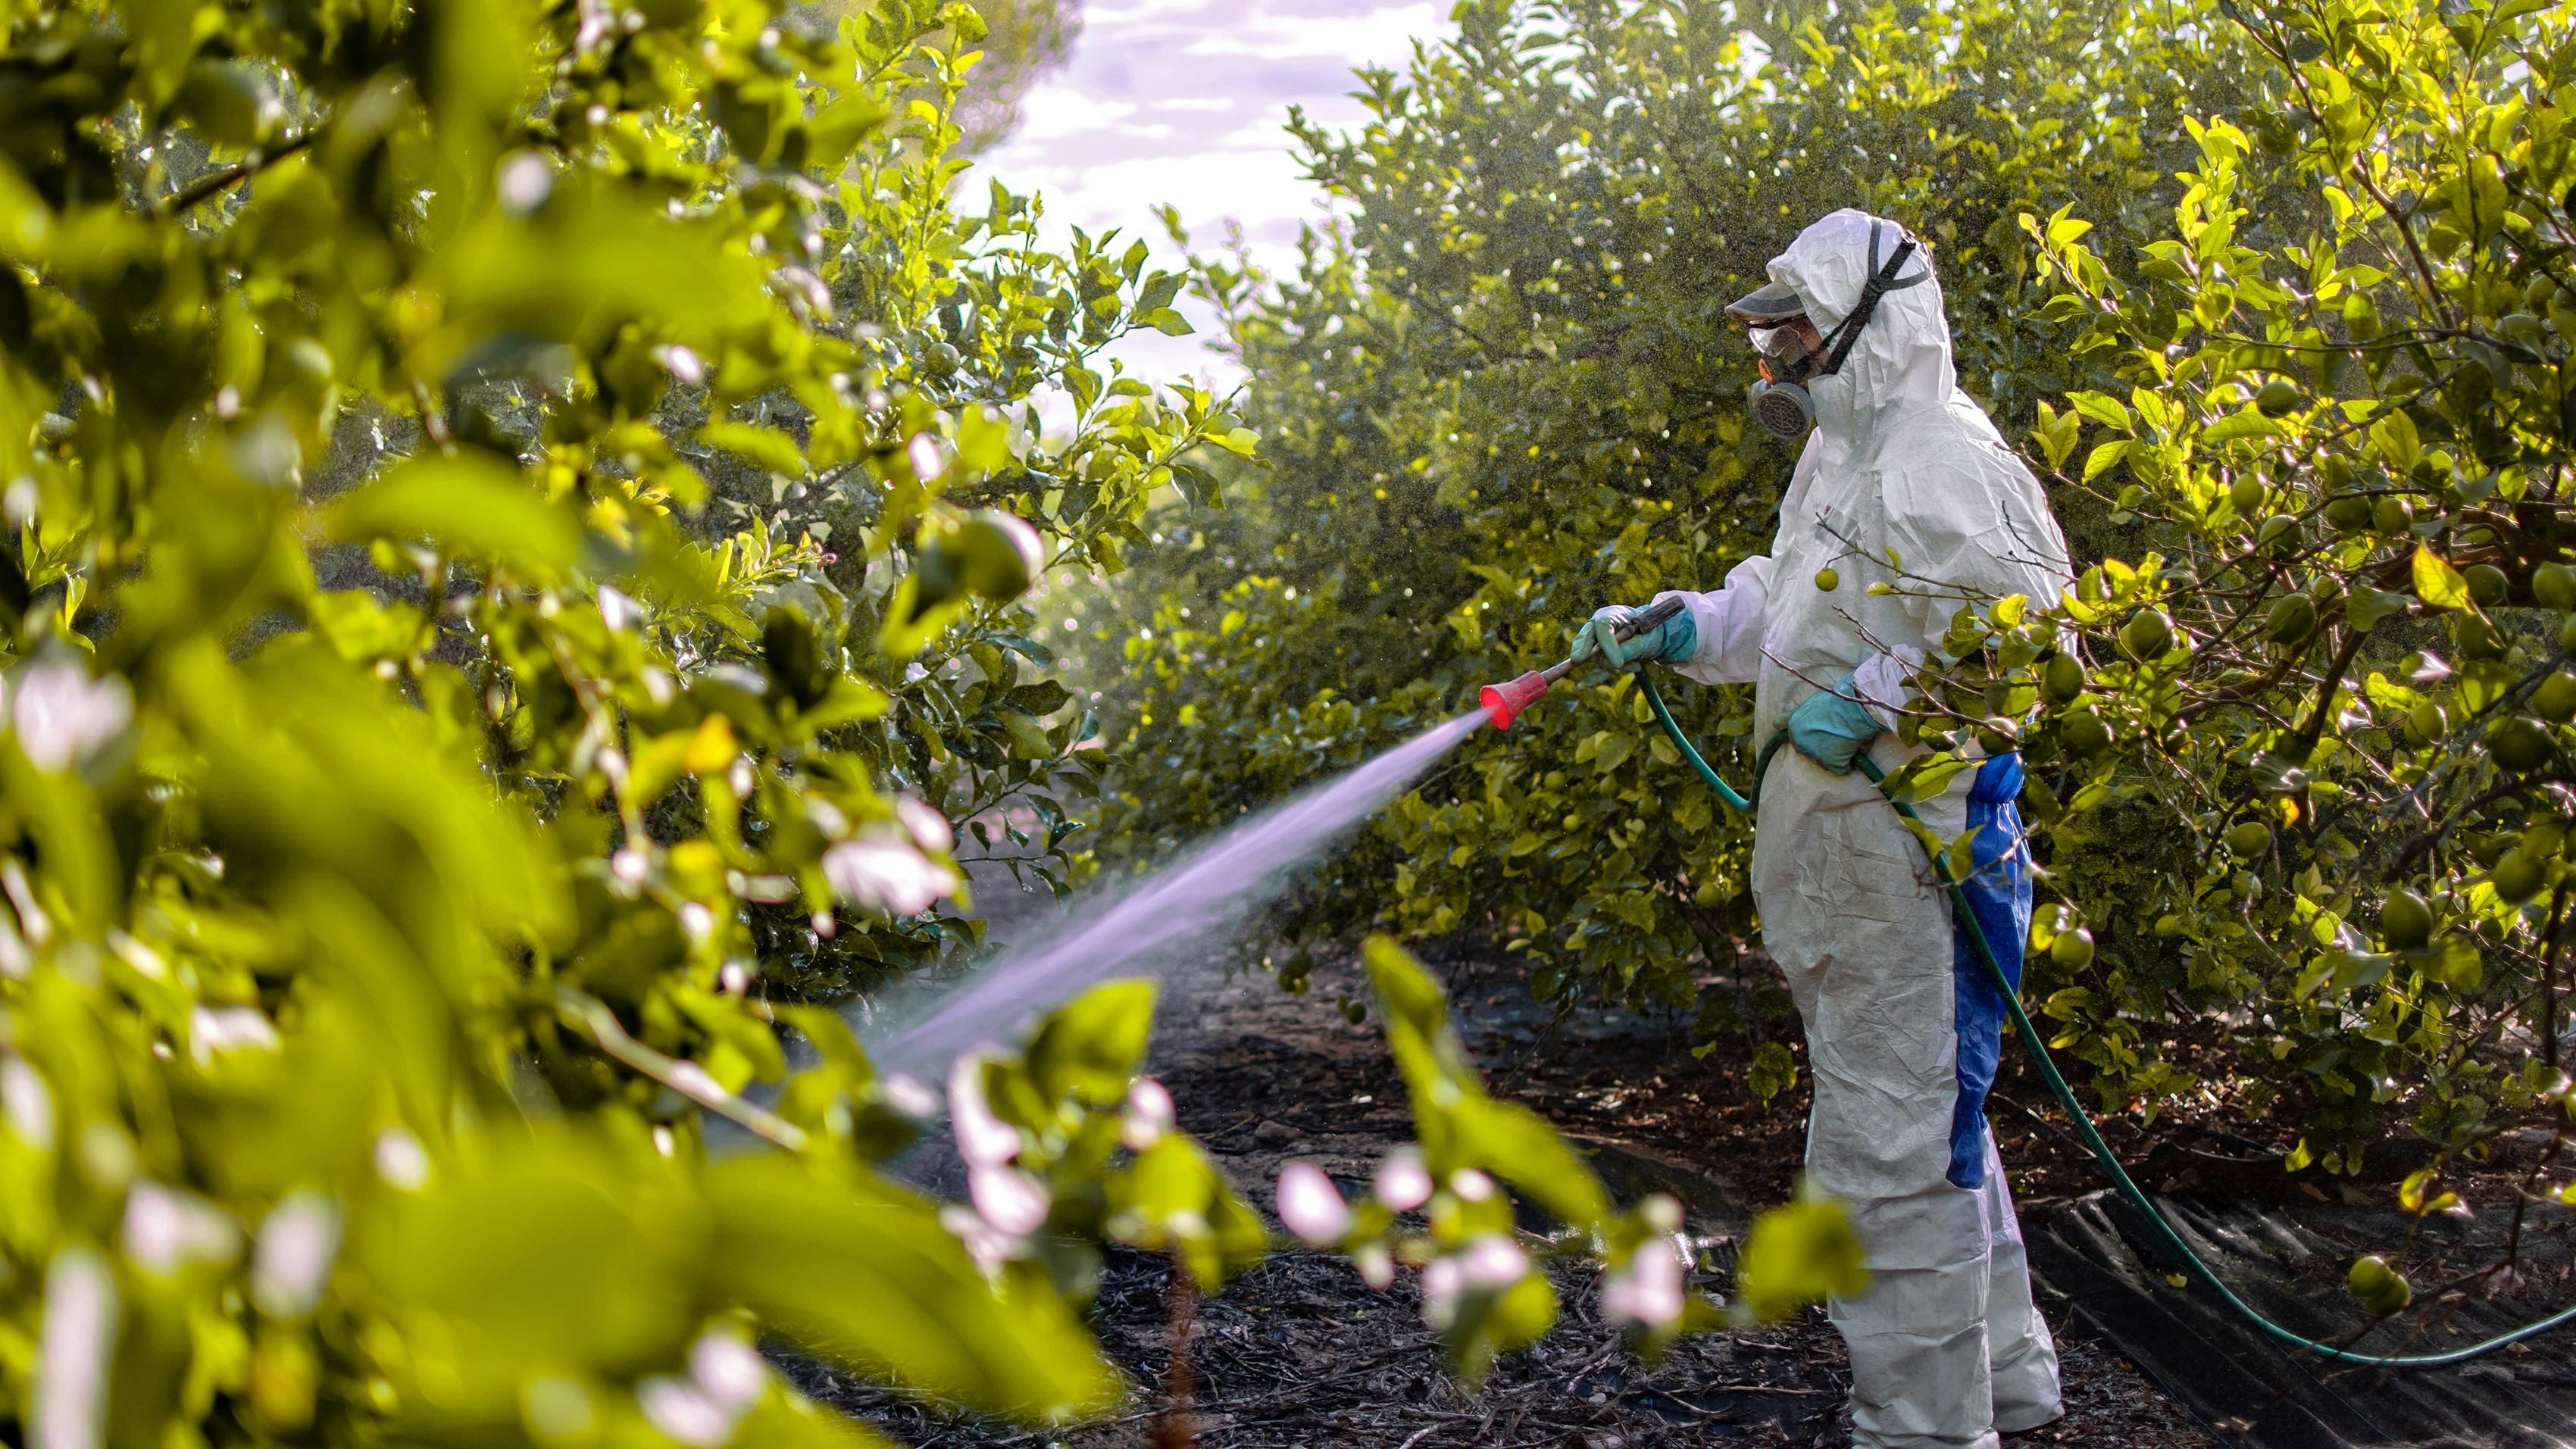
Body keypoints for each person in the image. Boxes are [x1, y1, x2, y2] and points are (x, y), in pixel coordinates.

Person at [1575, 208, 2074, 1448]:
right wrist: (1692, 623)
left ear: (1867, 322)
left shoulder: (1941, 459)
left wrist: (1880, 700)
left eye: (1795, 326)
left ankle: (1923, 1431)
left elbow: (2035, 639)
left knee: (1889, 1157)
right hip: (1853, 867)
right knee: (1928, 1122)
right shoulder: (1844, 457)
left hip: (1919, 858)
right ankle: (2007, 1381)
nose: (1779, 351)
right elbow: (1806, 606)